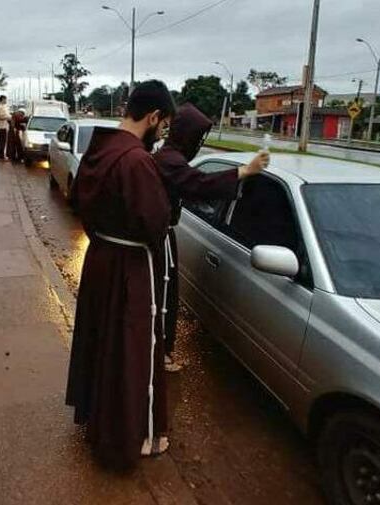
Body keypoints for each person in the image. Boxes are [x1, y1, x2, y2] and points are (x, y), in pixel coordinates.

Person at [65, 80, 176, 468]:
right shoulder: (136, 160)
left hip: (100, 260)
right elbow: (155, 222)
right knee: (134, 351)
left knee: (103, 343)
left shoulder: (99, 148)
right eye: (163, 125)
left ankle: (100, 420)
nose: (162, 133)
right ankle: (134, 438)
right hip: (130, 267)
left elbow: (77, 200)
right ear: (153, 116)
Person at [153, 103, 268, 372]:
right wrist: (244, 171)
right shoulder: (170, 160)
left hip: (164, 235)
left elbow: (192, 187)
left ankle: (162, 350)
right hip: (161, 237)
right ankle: (160, 354)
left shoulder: (170, 157)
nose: (200, 142)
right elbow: (198, 184)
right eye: (198, 137)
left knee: (166, 296)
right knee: (164, 297)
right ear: (187, 134)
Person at [0, 95, 11, 161]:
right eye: (5, 99)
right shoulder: (1, 107)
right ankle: (2, 157)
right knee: (2, 142)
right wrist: (9, 118)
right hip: (2, 126)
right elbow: (1, 117)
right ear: (3, 99)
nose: (6, 101)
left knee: (1, 141)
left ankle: (1, 156)